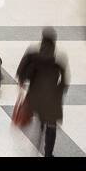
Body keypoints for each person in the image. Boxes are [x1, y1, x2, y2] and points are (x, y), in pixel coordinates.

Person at [16, 29, 68, 157]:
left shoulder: (33, 53)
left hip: (35, 95)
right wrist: (60, 91)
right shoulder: (59, 57)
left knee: (39, 114)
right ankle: (48, 153)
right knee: (51, 126)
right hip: (52, 98)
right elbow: (65, 81)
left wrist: (22, 82)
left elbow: (21, 71)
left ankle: (41, 123)